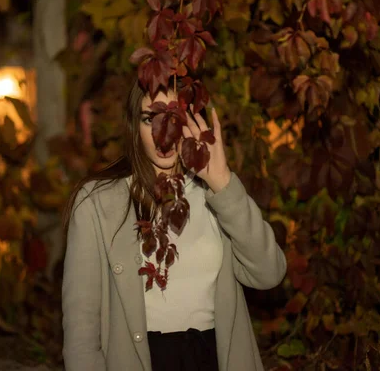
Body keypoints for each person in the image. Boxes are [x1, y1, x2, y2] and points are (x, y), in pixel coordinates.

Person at [61, 78, 287, 371]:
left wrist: (223, 183)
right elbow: (81, 331)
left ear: (194, 123)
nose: (163, 135)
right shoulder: (97, 203)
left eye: (174, 118)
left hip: (213, 358)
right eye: (149, 119)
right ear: (134, 126)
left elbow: (269, 273)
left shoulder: (216, 195)